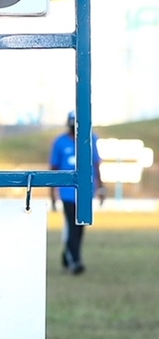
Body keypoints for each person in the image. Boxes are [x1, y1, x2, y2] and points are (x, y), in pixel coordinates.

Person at [49, 111, 105, 275]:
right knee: (73, 226)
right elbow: (53, 168)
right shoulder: (60, 142)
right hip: (67, 192)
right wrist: (52, 194)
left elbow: (96, 164)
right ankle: (76, 261)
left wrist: (101, 188)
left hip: (86, 191)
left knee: (80, 227)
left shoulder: (91, 139)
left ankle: (68, 256)